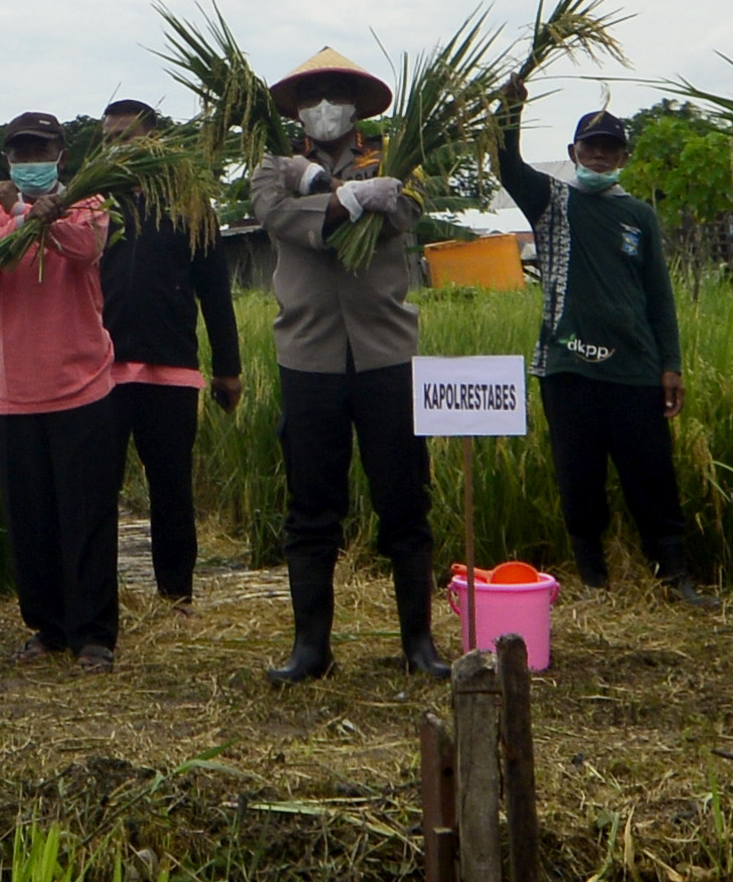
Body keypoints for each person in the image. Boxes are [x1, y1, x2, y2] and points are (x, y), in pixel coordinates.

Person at [250, 48, 449, 683]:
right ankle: (311, 649)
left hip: (386, 353)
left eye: (337, 93)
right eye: (313, 96)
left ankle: (419, 644)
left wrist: (335, 190)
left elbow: (403, 214)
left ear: (358, 105)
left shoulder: (396, 158)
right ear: (297, 110)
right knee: (311, 507)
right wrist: (353, 197)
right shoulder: (274, 165)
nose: (325, 106)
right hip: (308, 356)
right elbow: (277, 217)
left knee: (405, 502)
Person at [497, 83, 712, 605]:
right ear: (573, 152)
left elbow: (659, 296)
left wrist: (671, 364)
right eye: (590, 146)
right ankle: (594, 583)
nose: (599, 155)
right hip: (568, 366)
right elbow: (506, 165)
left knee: (652, 476)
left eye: (609, 148)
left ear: (622, 157)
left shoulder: (638, 216)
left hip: (635, 369)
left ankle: (674, 578)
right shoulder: (552, 201)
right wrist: (510, 110)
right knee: (579, 477)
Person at [0, 111, 119, 675]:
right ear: (8, 160)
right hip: (17, 394)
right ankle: (48, 628)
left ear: (61, 155)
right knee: (31, 523)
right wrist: (23, 215)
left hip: (83, 388)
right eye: (21, 153)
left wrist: (46, 217)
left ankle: (93, 636)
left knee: (87, 519)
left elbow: (85, 247)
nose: (31, 161)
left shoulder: (87, 201)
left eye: (41, 151)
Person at [99, 99, 242, 607]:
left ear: (154, 140)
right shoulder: (95, 205)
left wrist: (228, 368)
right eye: (108, 139)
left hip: (172, 369)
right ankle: (99, 598)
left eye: (127, 136)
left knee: (172, 489)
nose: (117, 147)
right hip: (101, 372)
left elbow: (215, 292)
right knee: (98, 490)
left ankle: (176, 596)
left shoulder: (189, 206)